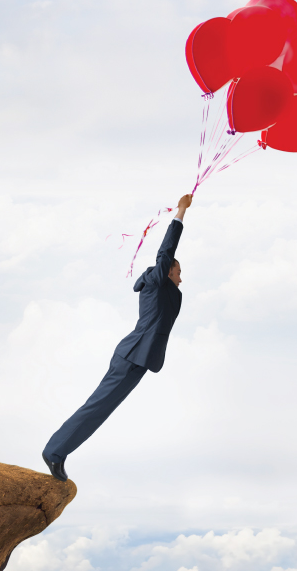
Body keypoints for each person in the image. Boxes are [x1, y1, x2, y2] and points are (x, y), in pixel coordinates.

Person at [42, 194, 193, 481]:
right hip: (132, 355)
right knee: (97, 407)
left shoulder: (165, 288)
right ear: (167, 271)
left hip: (140, 359)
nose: (180, 278)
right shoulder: (158, 280)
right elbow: (166, 250)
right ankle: (54, 452)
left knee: (102, 411)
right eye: (178, 272)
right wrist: (181, 212)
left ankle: (58, 451)